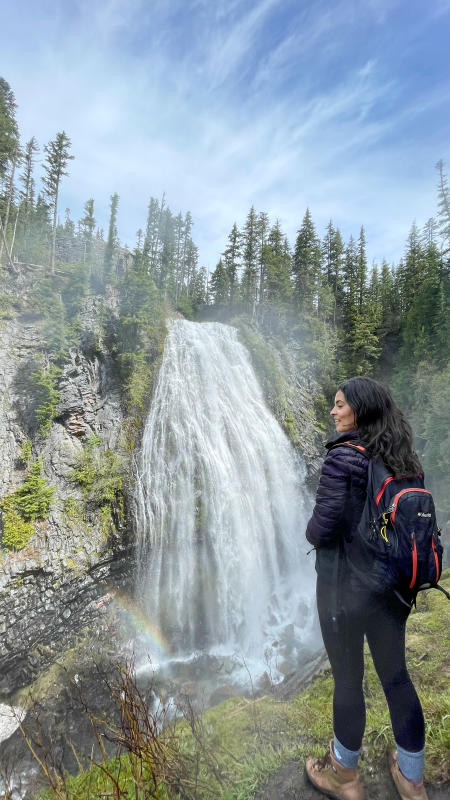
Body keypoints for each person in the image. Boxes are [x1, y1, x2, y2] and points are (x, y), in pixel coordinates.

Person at [304, 376, 428, 800]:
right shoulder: (401, 455)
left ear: (360, 409)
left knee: (348, 679)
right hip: (391, 590)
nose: (334, 412)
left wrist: (308, 530)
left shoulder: (342, 458)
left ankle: (344, 774)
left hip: (344, 591)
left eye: (340, 405)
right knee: (396, 678)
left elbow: (321, 529)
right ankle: (411, 777)